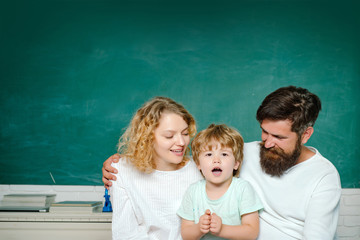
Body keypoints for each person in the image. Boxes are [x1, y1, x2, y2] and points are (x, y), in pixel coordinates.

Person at [103, 86, 341, 240]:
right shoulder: (240, 154)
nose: (267, 144)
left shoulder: (323, 176)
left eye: (279, 137)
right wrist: (120, 162)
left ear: (306, 134)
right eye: (264, 132)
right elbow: (205, 153)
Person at [110, 96, 203, 239]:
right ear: (147, 138)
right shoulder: (121, 171)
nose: (181, 142)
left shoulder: (202, 168)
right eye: (169, 136)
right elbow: (125, 234)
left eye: (185, 133)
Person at [177, 124, 263, 240]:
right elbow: (185, 234)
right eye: (209, 154)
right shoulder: (193, 192)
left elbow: (252, 232)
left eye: (224, 154)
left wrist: (222, 229)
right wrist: (199, 228)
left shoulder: (242, 189)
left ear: (236, 163)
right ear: (198, 164)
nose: (216, 160)